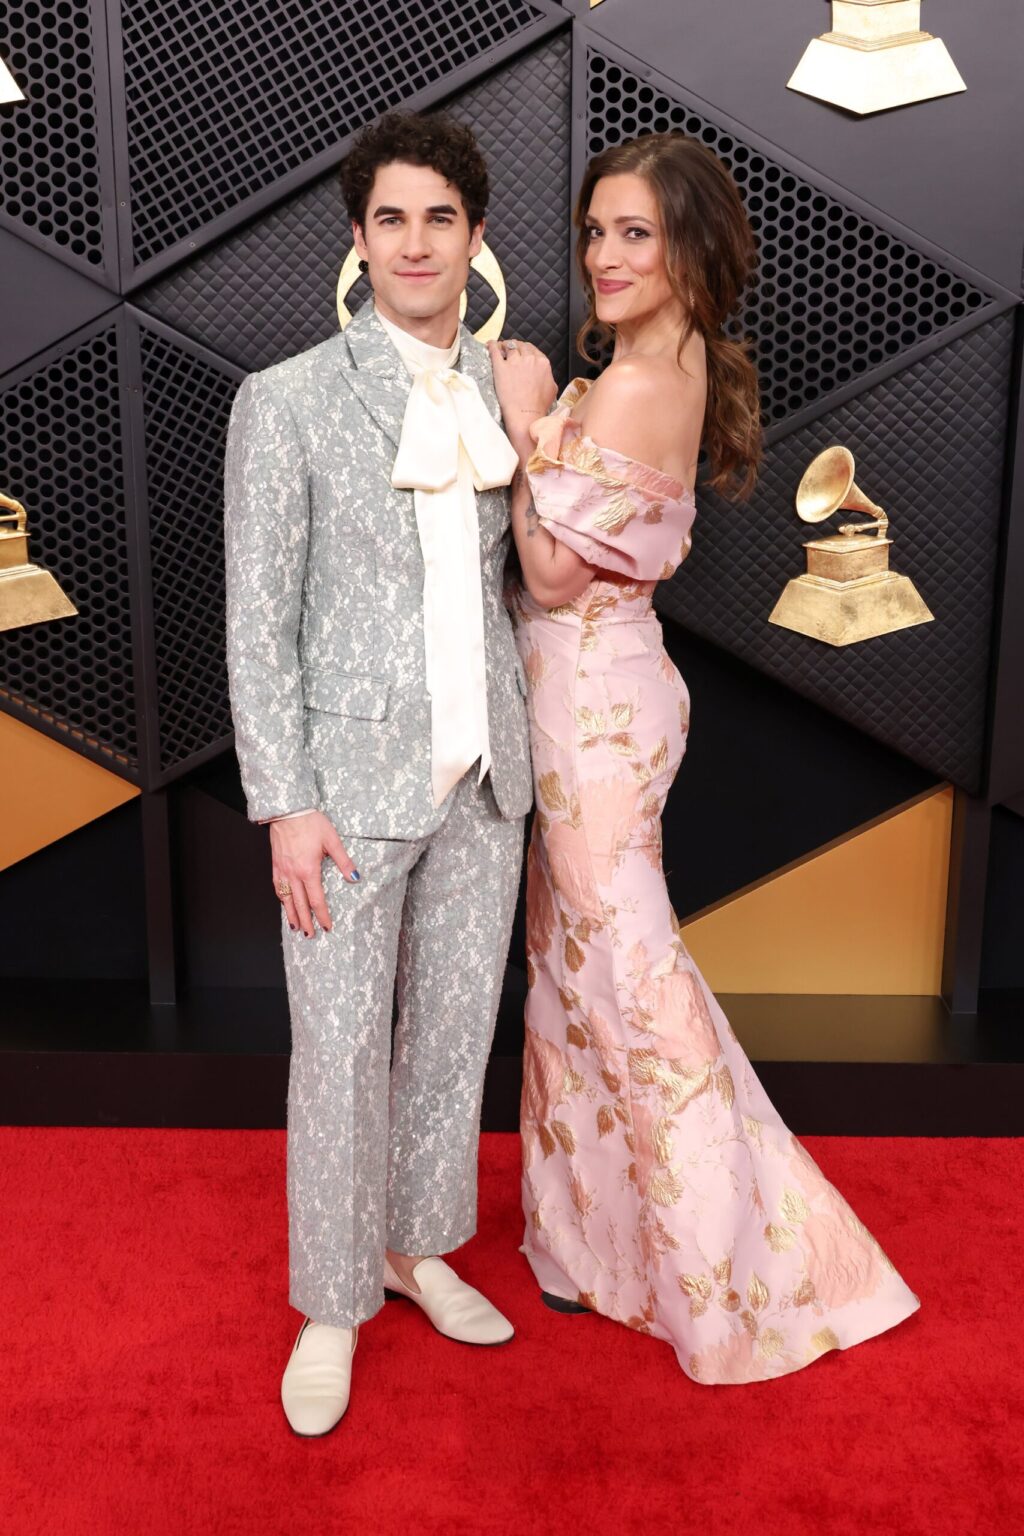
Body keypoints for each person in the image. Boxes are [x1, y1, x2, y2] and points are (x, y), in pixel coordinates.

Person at [489, 131, 920, 1384]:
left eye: (636, 233)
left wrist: (528, 427)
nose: (606, 256)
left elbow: (553, 570)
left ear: (692, 249)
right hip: (597, 696)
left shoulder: (630, 382)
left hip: (596, 709)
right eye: (596, 231)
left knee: (621, 974)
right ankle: (592, 1249)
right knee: (575, 975)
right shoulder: (649, 362)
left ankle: (738, 1266)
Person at [224, 110, 550, 1436]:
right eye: (391, 219)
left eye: (442, 219)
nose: (417, 243)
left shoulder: (510, 387)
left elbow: (529, 573)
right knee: (343, 1051)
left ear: (476, 241)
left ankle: (417, 1254)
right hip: (344, 793)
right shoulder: (288, 398)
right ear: (360, 241)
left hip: (489, 782)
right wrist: (284, 802)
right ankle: (330, 1301)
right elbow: (258, 618)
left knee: (449, 1040)